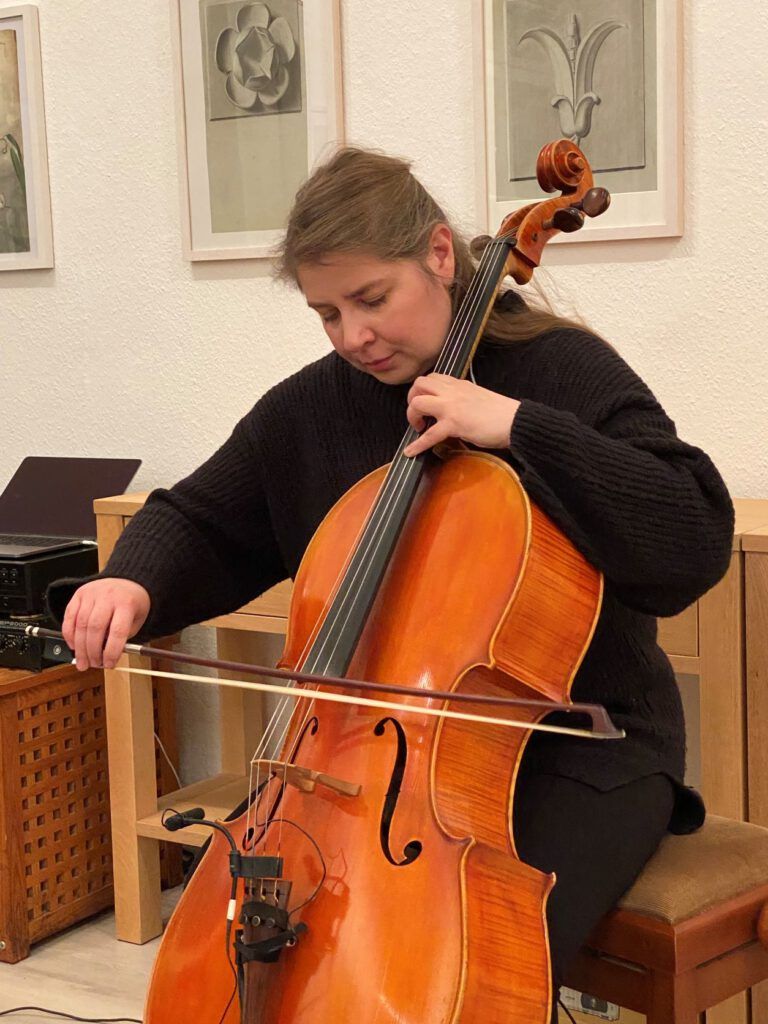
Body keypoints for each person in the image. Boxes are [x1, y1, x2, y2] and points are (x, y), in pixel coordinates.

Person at [49, 146, 734, 1021]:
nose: (352, 337)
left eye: (372, 300)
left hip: (578, 750)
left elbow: (693, 528)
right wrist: (132, 583)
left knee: (457, 965)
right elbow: (200, 515)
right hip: (360, 762)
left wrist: (520, 427)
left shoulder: (558, 371)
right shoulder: (313, 407)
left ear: (440, 257)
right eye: (326, 313)